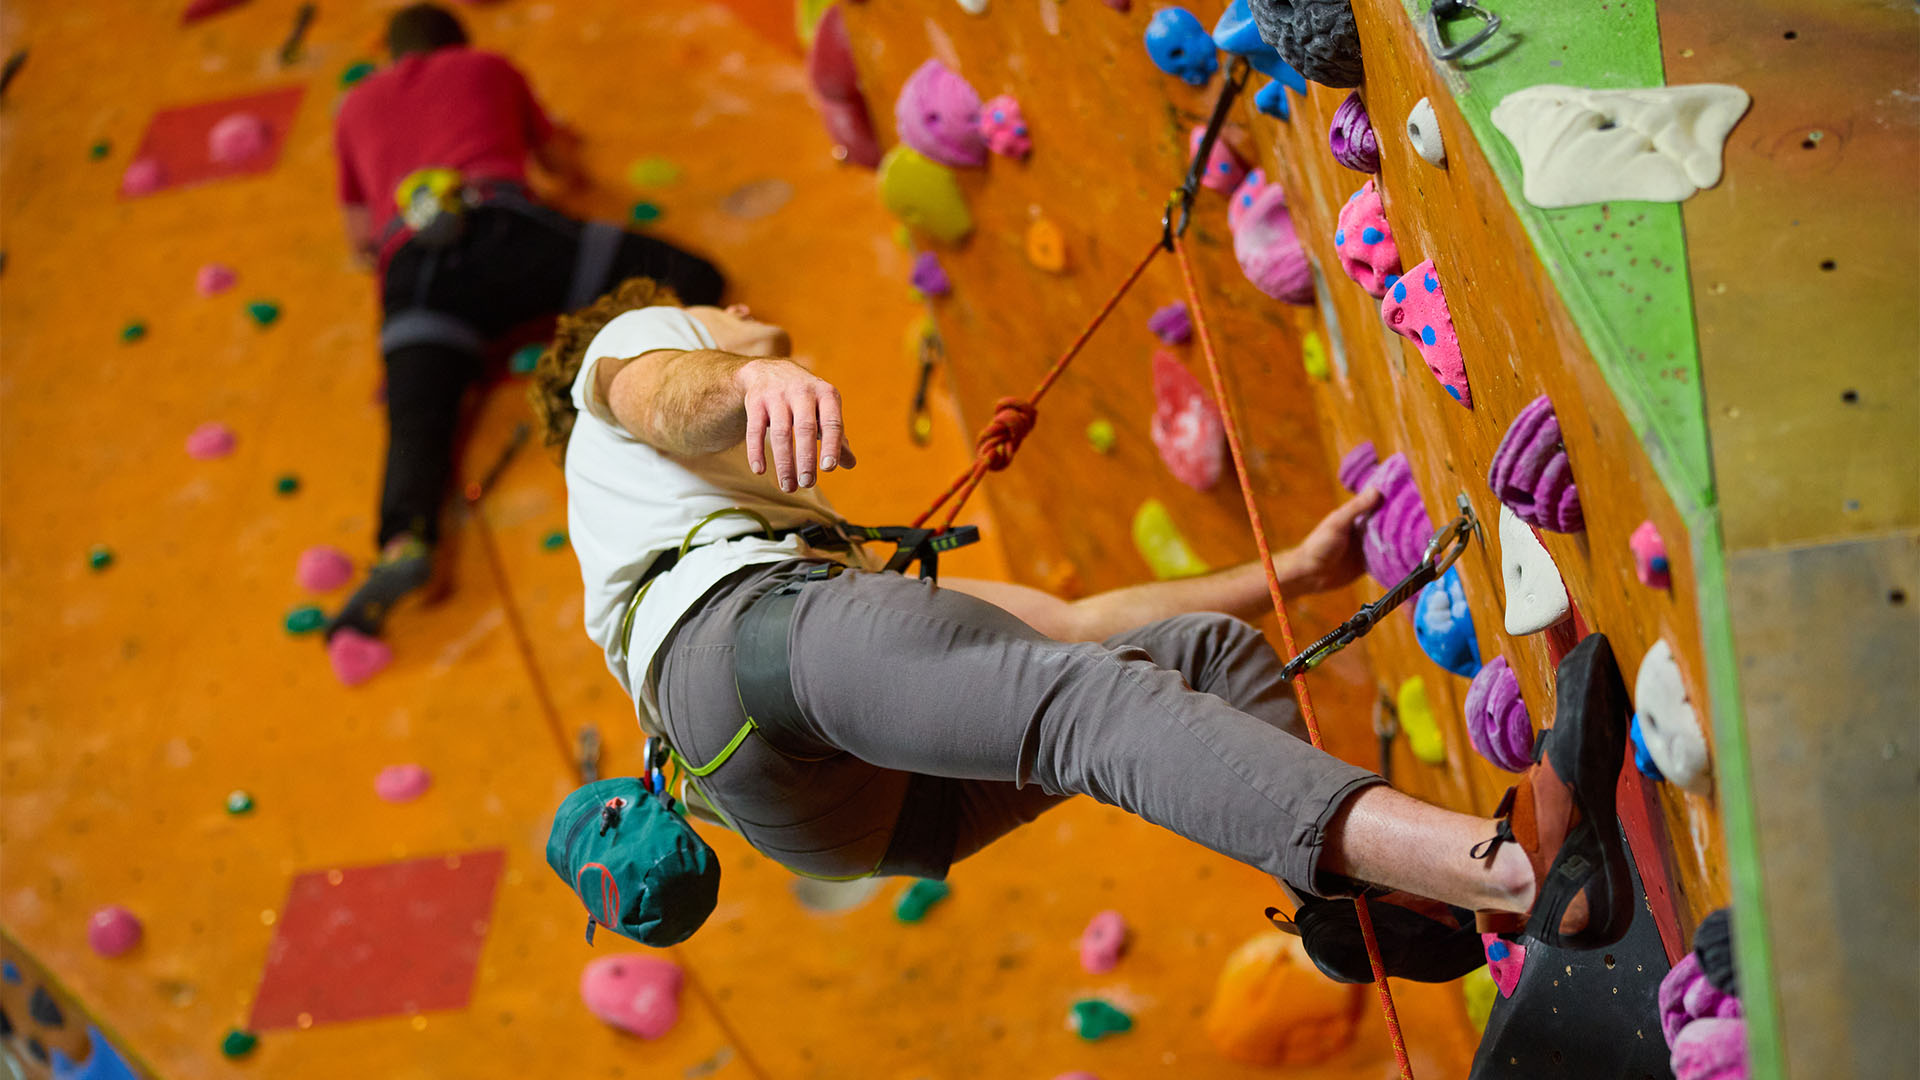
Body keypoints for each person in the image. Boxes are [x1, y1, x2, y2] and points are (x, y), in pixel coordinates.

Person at [532, 278, 1637, 974]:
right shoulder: (627, 358)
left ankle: (1361, 904)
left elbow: (1071, 625)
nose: (749, 317)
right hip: (747, 662)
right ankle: (1517, 875)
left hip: (829, 812)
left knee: (1187, 663)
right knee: (1092, 715)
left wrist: (1291, 572)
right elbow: (663, 391)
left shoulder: (738, 543)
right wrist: (747, 370)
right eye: (722, 316)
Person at [327, 3, 726, 642]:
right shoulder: (488, 66)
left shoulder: (352, 107)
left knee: (417, 417)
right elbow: (558, 167)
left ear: (390, 56)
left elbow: (360, 244)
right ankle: (692, 377)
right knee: (687, 272)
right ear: (459, 42)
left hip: (417, 274)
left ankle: (405, 539)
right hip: (509, 233)